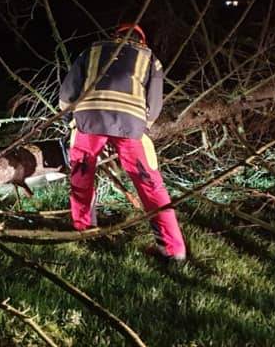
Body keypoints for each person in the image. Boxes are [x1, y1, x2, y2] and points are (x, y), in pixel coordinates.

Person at [58, 23, 187, 261]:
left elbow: (68, 92)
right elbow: (154, 103)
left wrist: (70, 119)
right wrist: (142, 125)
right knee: (150, 184)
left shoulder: (92, 50)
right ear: (142, 41)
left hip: (89, 118)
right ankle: (173, 250)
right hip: (131, 125)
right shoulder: (150, 58)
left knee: (81, 175)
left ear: (114, 36)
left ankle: (84, 231)